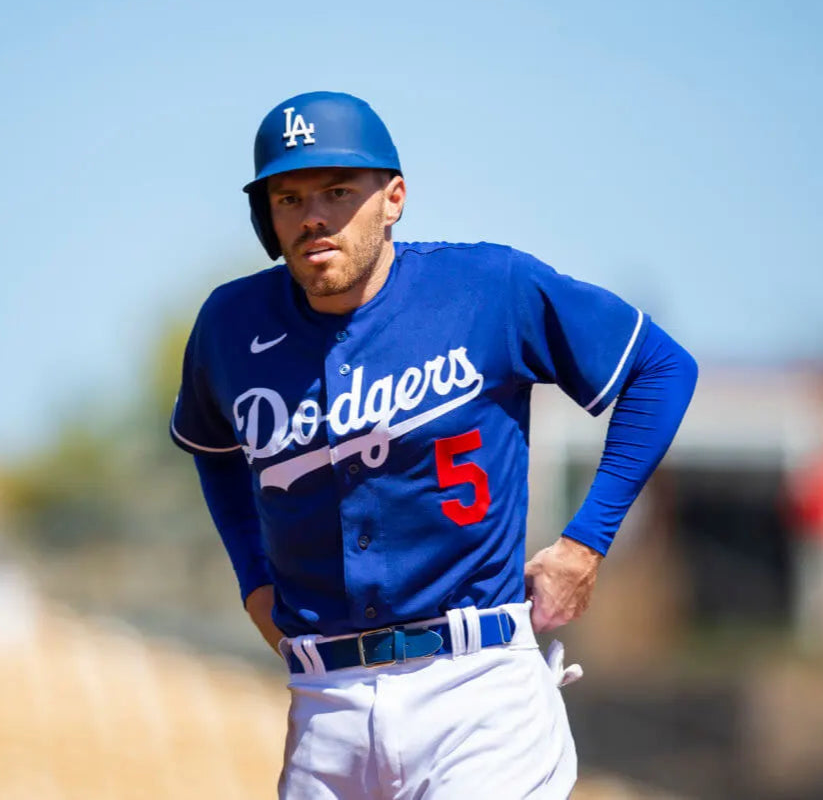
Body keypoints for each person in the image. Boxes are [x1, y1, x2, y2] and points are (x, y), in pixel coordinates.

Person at [170, 91, 698, 798]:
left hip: (475, 689)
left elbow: (659, 369)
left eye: (336, 190)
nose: (313, 216)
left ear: (393, 198)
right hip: (324, 701)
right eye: (288, 198)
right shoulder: (231, 324)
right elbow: (214, 449)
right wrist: (251, 579)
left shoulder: (486, 287)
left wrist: (585, 542)